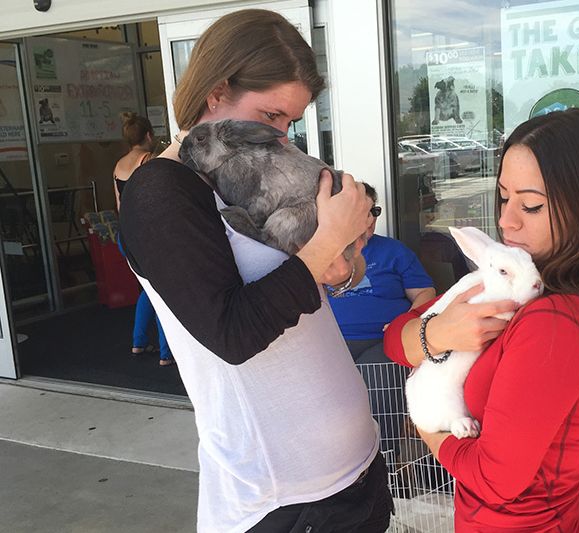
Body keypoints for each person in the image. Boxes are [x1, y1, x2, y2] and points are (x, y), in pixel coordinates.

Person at [118, 9, 391, 533]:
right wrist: (327, 244)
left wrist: (344, 270)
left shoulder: (247, 172)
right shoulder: (162, 191)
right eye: (271, 116)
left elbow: (315, 282)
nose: (281, 136)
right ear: (216, 91)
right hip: (284, 497)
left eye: (290, 121)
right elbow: (231, 333)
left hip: (350, 478)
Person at [384, 108, 579, 532]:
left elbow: (496, 479)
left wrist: (427, 428)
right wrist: (437, 333)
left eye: (531, 205)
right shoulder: (521, 281)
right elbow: (394, 340)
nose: (507, 221)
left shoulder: (556, 321)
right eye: (504, 198)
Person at [329, 182, 435, 364]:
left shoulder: (395, 251)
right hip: (330, 341)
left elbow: (425, 292)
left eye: (374, 211)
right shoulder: (324, 251)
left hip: (383, 340)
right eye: (362, 212)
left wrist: (407, 322)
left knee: (378, 381)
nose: (370, 219)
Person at [113, 112, 174, 366]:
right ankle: (166, 353)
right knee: (162, 291)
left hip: (126, 235)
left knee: (148, 289)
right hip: (149, 235)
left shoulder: (118, 166)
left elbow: (119, 205)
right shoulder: (149, 160)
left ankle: (138, 341)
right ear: (149, 135)